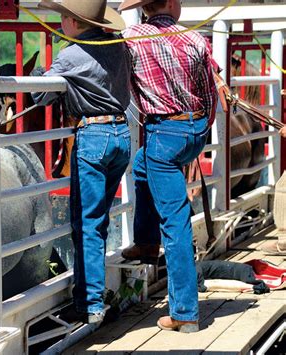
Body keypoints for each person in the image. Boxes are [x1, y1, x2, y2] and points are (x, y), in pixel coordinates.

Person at [118, 0, 218, 332]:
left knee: (175, 225)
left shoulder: (130, 38)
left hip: (163, 133)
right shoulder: (195, 38)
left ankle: (185, 313)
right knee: (142, 165)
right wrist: (200, 131)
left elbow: (120, 87)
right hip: (195, 130)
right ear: (172, 4)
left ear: (144, 8)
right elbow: (210, 94)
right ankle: (146, 241)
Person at [32, 0, 131, 324]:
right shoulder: (119, 47)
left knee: (87, 222)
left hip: (93, 136)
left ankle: (89, 304)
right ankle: (94, 295)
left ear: (72, 22)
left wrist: (39, 74)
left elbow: (40, 96)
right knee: (98, 220)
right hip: (121, 135)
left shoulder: (70, 55)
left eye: (63, 18)